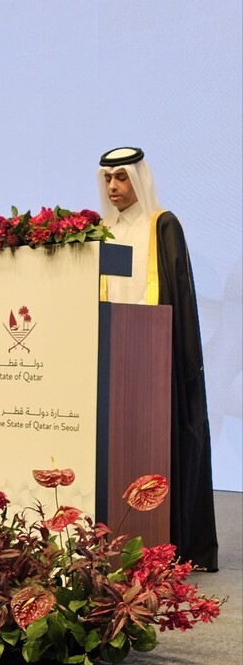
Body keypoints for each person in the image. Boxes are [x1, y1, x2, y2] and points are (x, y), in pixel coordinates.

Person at [97, 146, 218, 571]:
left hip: (154, 361)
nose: (113, 187)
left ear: (139, 179)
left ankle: (166, 544)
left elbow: (179, 295)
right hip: (111, 359)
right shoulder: (99, 231)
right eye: (107, 178)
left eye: (122, 177)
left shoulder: (161, 225)